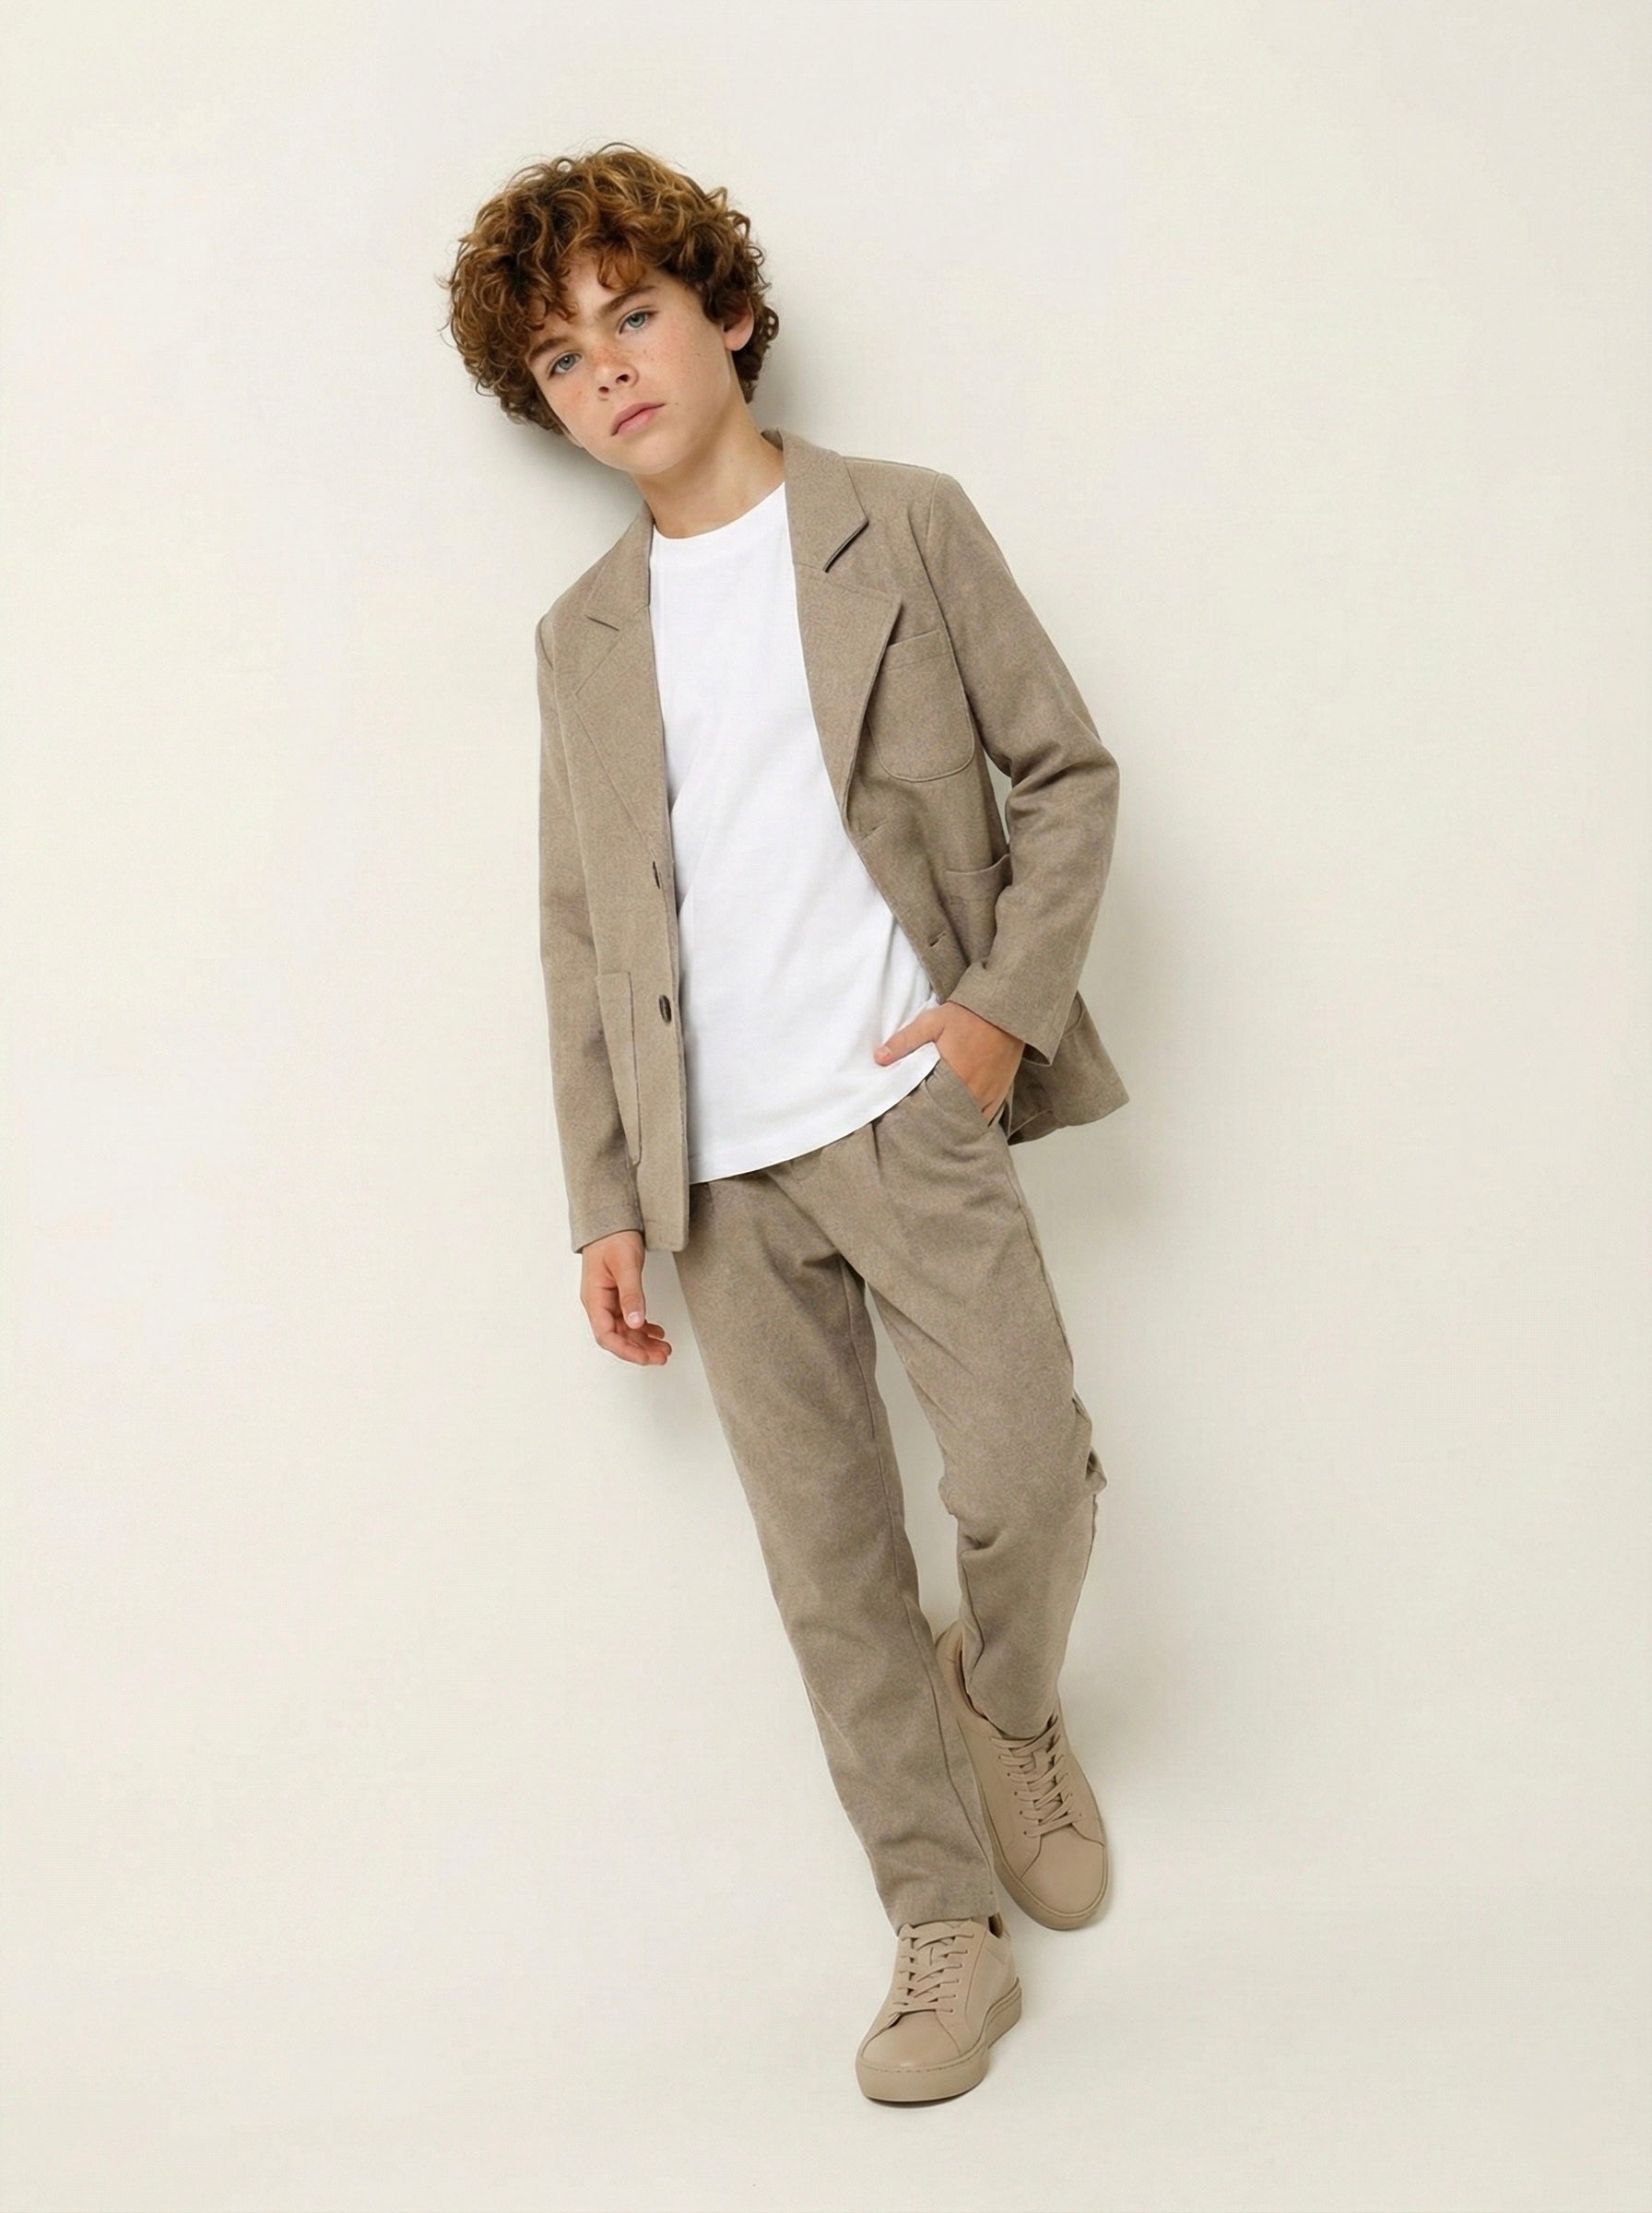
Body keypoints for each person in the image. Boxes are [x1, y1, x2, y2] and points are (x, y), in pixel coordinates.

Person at [442, 141, 1129, 2104]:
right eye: (561, 357)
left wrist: (993, 1017)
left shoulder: (900, 523)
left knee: (1025, 1477)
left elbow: (1066, 775)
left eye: (634, 314)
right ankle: (942, 1928)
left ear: (727, 314)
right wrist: (603, 1195)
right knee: (830, 1570)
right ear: (545, 407)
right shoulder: (579, 637)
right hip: (715, 1178)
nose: (608, 367)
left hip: (909, 1104)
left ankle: (1006, 1700)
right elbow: (578, 928)